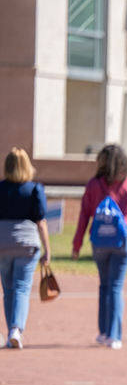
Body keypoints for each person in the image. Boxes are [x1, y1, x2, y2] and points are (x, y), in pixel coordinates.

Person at [72, 145, 127, 350]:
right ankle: (115, 335)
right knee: (116, 286)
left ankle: (104, 332)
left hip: (99, 241)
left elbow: (84, 215)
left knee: (104, 285)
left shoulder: (93, 184)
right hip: (123, 240)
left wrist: (77, 244)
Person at [0, 148, 51, 349]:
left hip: (3, 243)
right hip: (27, 245)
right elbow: (41, 222)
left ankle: (10, 331)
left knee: (8, 289)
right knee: (22, 287)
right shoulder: (34, 189)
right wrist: (47, 249)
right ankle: (16, 329)